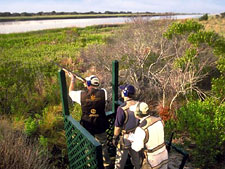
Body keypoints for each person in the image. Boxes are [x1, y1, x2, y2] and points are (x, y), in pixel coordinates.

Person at [66, 72, 112, 169]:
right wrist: (87, 83)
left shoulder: (81, 95)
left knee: (88, 147)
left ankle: (91, 164)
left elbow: (70, 92)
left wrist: (73, 80)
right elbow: (99, 90)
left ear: (87, 84)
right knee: (103, 146)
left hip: (87, 126)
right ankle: (107, 164)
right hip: (100, 124)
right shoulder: (104, 92)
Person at [129, 102, 168, 169]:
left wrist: (132, 140)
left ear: (137, 114)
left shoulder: (141, 129)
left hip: (152, 159)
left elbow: (136, 147)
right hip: (164, 154)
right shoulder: (159, 120)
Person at [113, 84, 141, 169]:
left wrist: (115, 137)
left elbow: (117, 127)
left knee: (120, 162)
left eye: (122, 91)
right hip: (136, 135)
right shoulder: (139, 104)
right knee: (136, 157)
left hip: (125, 137)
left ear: (125, 93)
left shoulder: (122, 109)